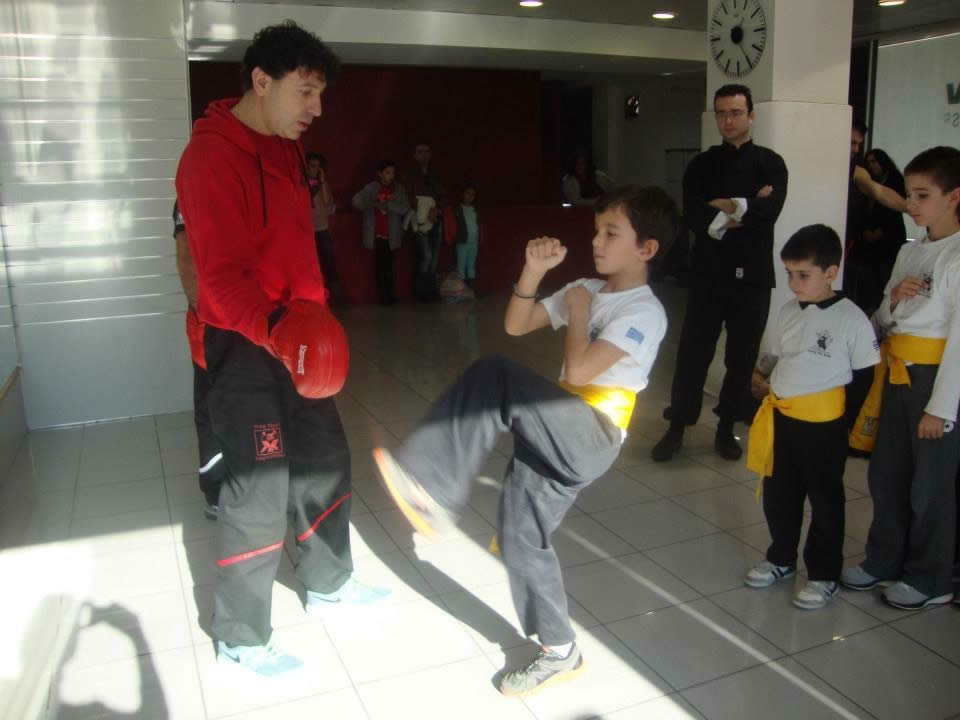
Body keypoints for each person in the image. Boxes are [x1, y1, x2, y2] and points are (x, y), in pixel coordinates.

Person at [371, 186, 677, 698]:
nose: (596, 242)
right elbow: (517, 324)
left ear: (646, 249)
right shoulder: (584, 287)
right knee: (520, 537)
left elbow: (579, 370)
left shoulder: (645, 312)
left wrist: (580, 313)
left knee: (495, 375)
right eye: (596, 230)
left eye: (611, 233)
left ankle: (431, 487)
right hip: (557, 423)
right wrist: (532, 272)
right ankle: (560, 651)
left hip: (593, 432)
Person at [175, 21, 389, 677]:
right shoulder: (209, 158)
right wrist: (277, 329)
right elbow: (217, 278)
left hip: (297, 335)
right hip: (245, 343)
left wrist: (313, 320)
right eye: (306, 92)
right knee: (259, 487)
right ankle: (240, 636)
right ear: (262, 81)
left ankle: (328, 583)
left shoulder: (288, 149)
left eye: (321, 94)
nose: (316, 109)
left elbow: (296, 249)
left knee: (325, 458)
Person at [843, 146, 960, 610]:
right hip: (897, 373)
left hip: (936, 380)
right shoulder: (909, 251)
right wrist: (893, 300)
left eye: (922, 195)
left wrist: (941, 408)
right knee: (886, 474)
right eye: (909, 194)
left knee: (930, 485)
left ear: (954, 197)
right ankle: (884, 559)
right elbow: (882, 321)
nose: (911, 204)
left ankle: (931, 577)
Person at [744, 225, 879, 610]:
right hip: (783, 420)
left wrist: (845, 424)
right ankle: (781, 557)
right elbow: (775, 353)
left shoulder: (852, 319)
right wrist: (760, 373)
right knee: (779, 495)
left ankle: (823, 574)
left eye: (803, 275)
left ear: (831, 272)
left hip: (825, 426)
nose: (793, 283)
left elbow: (865, 376)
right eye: (789, 274)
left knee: (825, 501)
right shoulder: (788, 311)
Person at [652, 84, 788, 462]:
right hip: (708, 274)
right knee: (693, 353)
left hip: (754, 277)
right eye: (721, 113)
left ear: (751, 116)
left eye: (736, 112)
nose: (728, 121)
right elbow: (695, 217)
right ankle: (677, 426)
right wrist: (747, 205)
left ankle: (727, 427)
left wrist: (725, 207)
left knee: (741, 358)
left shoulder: (771, 163)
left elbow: (769, 214)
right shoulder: (702, 164)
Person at [173, 200, 225, 521]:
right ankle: (217, 491)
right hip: (209, 324)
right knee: (211, 411)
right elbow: (185, 258)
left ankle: (258, 485)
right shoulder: (189, 195)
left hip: (248, 322)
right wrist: (204, 311)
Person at [848, 148, 907, 316]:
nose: (872, 166)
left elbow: (895, 210)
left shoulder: (894, 178)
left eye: (874, 161)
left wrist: (881, 231)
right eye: (869, 162)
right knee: (871, 275)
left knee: (887, 274)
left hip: (890, 235)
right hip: (869, 237)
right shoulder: (867, 179)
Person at [352, 161, 410, 305]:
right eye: (388, 172)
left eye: (393, 173)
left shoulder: (398, 188)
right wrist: (374, 203)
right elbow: (356, 202)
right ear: (380, 173)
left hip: (392, 235)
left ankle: (390, 297)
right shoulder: (372, 188)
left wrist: (389, 205)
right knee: (381, 267)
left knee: (389, 267)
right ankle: (383, 298)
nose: (391, 176)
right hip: (377, 234)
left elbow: (405, 208)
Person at [406, 141, 444, 300]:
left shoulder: (436, 173)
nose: (424, 155)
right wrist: (420, 210)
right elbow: (408, 196)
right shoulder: (409, 174)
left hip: (436, 218)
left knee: (434, 257)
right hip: (419, 219)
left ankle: (431, 292)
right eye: (420, 152)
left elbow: (442, 194)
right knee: (425, 256)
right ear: (415, 155)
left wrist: (437, 209)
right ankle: (420, 292)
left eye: (427, 152)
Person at [305, 152, 343, 304]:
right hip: (306, 230)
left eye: (318, 167)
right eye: (312, 166)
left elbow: (328, 202)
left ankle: (335, 298)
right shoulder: (301, 183)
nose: (314, 169)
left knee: (329, 262)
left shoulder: (322, 184)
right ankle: (312, 297)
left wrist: (322, 181)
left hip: (321, 228)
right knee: (309, 265)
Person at [445, 183, 481, 290]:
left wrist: (479, 237)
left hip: (474, 242)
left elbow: (478, 225)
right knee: (461, 267)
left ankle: (471, 290)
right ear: (463, 194)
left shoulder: (475, 210)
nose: (470, 196)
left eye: (473, 194)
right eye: (468, 193)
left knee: (471, 266)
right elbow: (450, 223)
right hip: (462, 242)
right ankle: (461, 291)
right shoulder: (457, 209)